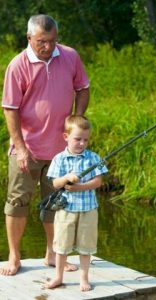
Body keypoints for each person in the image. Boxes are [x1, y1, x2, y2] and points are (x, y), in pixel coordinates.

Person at [0, 14, 90, 276]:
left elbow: (83, 87)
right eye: (41, 41)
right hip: (27, 150)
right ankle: (15, 257)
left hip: (60, 152)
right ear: (29, 38)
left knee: (56, 202)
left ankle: (52, 254)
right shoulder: (18, 66)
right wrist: (21, 148)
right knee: (17, 202)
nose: (48, 47)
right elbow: (10, 110)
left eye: (52, 41)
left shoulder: (70, 56)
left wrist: (78, 118)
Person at [44, 115, 108, 291]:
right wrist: (66, 178)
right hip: (66, 210)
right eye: (77, 139)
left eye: (85, 140)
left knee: (86, 247)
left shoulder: (93, 158)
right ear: (66, 137)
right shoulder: (59, 159)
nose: (82, 143)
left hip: (88, 210)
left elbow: (98, 182)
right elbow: (55, 183)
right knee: (62, 245)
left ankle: (84, 278)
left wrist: (80, 187)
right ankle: (58, 276)